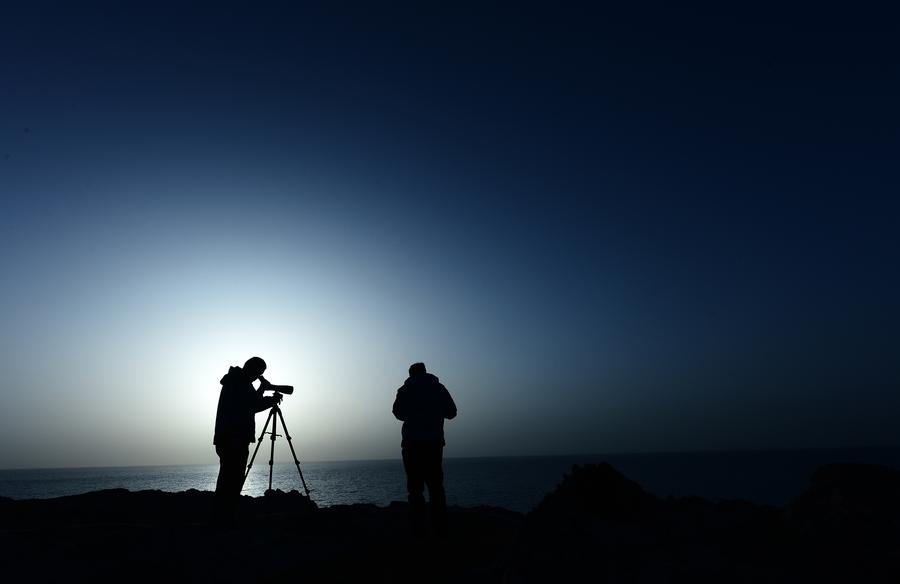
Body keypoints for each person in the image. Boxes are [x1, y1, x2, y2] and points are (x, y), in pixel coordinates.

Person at [212, 356, 281, 527]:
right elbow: (250, 406)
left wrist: (264, 394)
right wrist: (265, 394)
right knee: (232, 479)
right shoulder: (238, 382)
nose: (259, 376)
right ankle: (224, 518)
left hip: (230, 437)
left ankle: (223, 516)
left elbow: (250, 404)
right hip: (233, 437)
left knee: (229, 478)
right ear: (252, 368)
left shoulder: (238, 380)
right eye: (259, 372)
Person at [392, 362, 457, 536]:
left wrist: (414, 413)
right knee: (436, 486)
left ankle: (418, 528)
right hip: (434, 443)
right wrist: (435, 411)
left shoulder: (404, 390)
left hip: (411, 443)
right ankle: (440, 527)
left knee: (414, 487)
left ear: (411, 374)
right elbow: (452, 412)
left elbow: (397, 413)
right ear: (425, 371)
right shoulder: (439, 388)